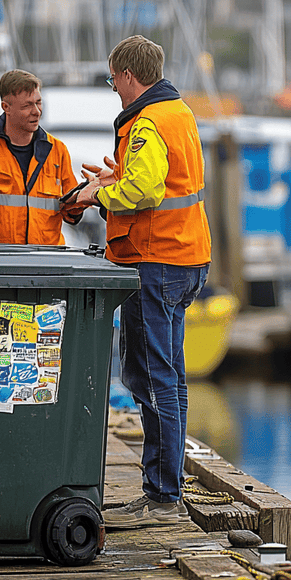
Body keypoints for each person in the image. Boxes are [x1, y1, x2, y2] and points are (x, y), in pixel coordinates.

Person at [65, 35, 211, 529]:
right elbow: (167, 181)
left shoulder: (146, 122)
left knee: (151, 379)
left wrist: (96, 196)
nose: (114, 90)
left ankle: (162, 496)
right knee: (170, 377)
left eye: (112, 81)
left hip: (156, 260)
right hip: (187, 257)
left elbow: (146, 191)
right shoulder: (180, 113)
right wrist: (117, 176)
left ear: (128, 76)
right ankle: (165, 489)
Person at [0, 69, 80, 245]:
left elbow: (71, 212)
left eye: (38, 102)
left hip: (47, 260)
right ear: (6, 107)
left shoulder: (57, 151)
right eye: (27, 105)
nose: (36, 111)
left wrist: (86, 196)